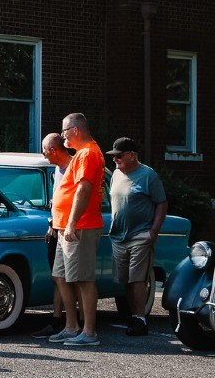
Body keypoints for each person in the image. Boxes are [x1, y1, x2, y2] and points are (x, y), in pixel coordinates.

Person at [49, 112, 105, 347]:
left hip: (80, 226)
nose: (63, 139)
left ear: (75, 130)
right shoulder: (81, 154)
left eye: (64, 133)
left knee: (82, 279)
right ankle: (71, 327)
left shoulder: (89, 153)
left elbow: (83, 190)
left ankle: (89, 332)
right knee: (61, 276)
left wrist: (71, 222)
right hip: (65, 226)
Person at [107, 137, 168, 336]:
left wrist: (153, 231)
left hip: (140, 234)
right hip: (118, 236)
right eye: (113, 156)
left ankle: (140, 319)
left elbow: (161, 203)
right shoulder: (116, 174)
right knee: (125, 279)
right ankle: (132, 315)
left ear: (132, 155)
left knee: (137, 279)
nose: (115, 160)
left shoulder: (148, 175)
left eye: (119, 156)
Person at [32, 132, 72, 339]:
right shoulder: (57, 169)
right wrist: (51, 224)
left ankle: (74, 323)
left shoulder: (74, 168)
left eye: (45, 151)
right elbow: (58, 201)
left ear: (54, 150)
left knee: (75, 278)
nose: (44, 155)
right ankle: (58, 320)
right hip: (57, 227)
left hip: (72, 229)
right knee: (59, 277)